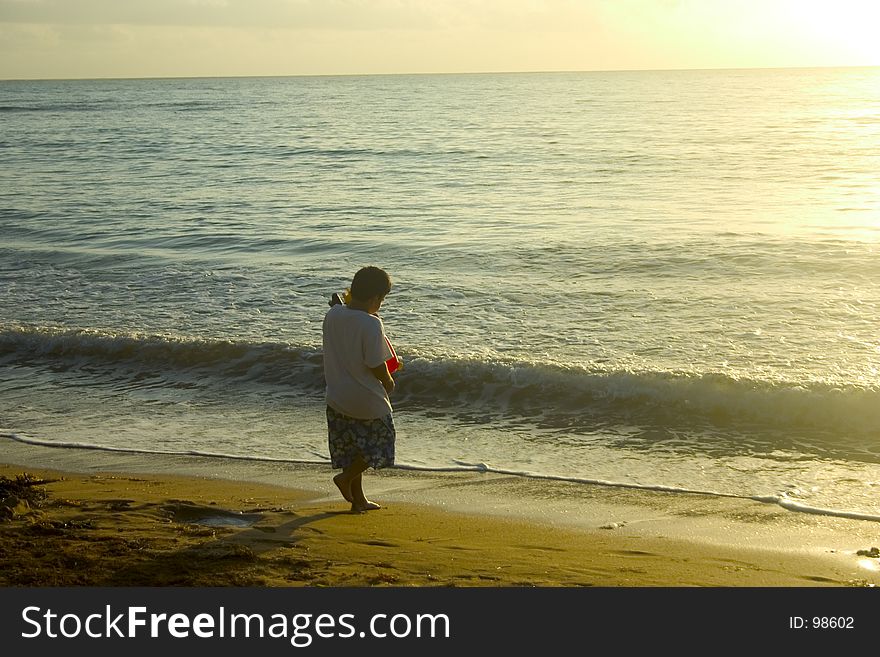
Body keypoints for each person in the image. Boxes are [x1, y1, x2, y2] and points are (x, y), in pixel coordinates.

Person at [322, 266, 396, 512]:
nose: (381, 304)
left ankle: (358, 501)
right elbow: (375, 363)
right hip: (366, 399)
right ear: (375, 297)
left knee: (352, 449)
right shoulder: (371, 323)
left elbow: (341, 311)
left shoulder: (332, 316)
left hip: (337, 397)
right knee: (381, 442)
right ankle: (345, 479)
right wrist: (388, 381)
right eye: (382, 300)